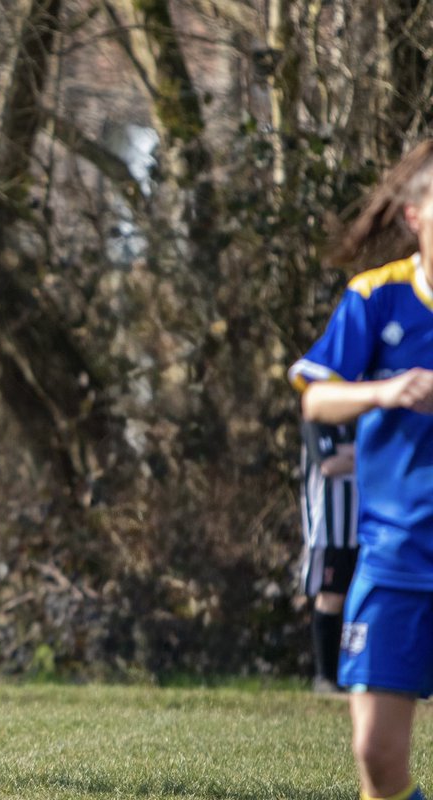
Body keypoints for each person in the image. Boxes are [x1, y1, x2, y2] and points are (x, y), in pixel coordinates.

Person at [288, 139, 433, 800]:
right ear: (414, 215)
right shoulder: (376, 298)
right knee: (376, 752)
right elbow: (316, 399)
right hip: (396, 554)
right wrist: (384, 390)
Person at [298, 420, 359, 693]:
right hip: (329, 529)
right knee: (331, 596)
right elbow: (329, 464)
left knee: (357, 600)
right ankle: (325, 677)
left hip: (360, 528)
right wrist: (361, 455)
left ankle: (352, 675)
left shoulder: (355, 421)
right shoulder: (316, 420)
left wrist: (348, 453)